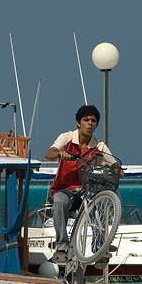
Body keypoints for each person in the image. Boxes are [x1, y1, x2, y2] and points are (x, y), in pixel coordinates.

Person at [45, 104, 114, 263]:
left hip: (86, 190)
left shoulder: (99, 146)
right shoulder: (67, 137)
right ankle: (62, 248)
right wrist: (60, 153)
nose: (90, 123)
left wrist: (117, 170)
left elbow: (114, 164)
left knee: (97, 204)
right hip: (65, 190)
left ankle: (99, 249)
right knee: (60, 201)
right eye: (86, 120)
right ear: (78, 122)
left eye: (94, 121)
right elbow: (49, 153)